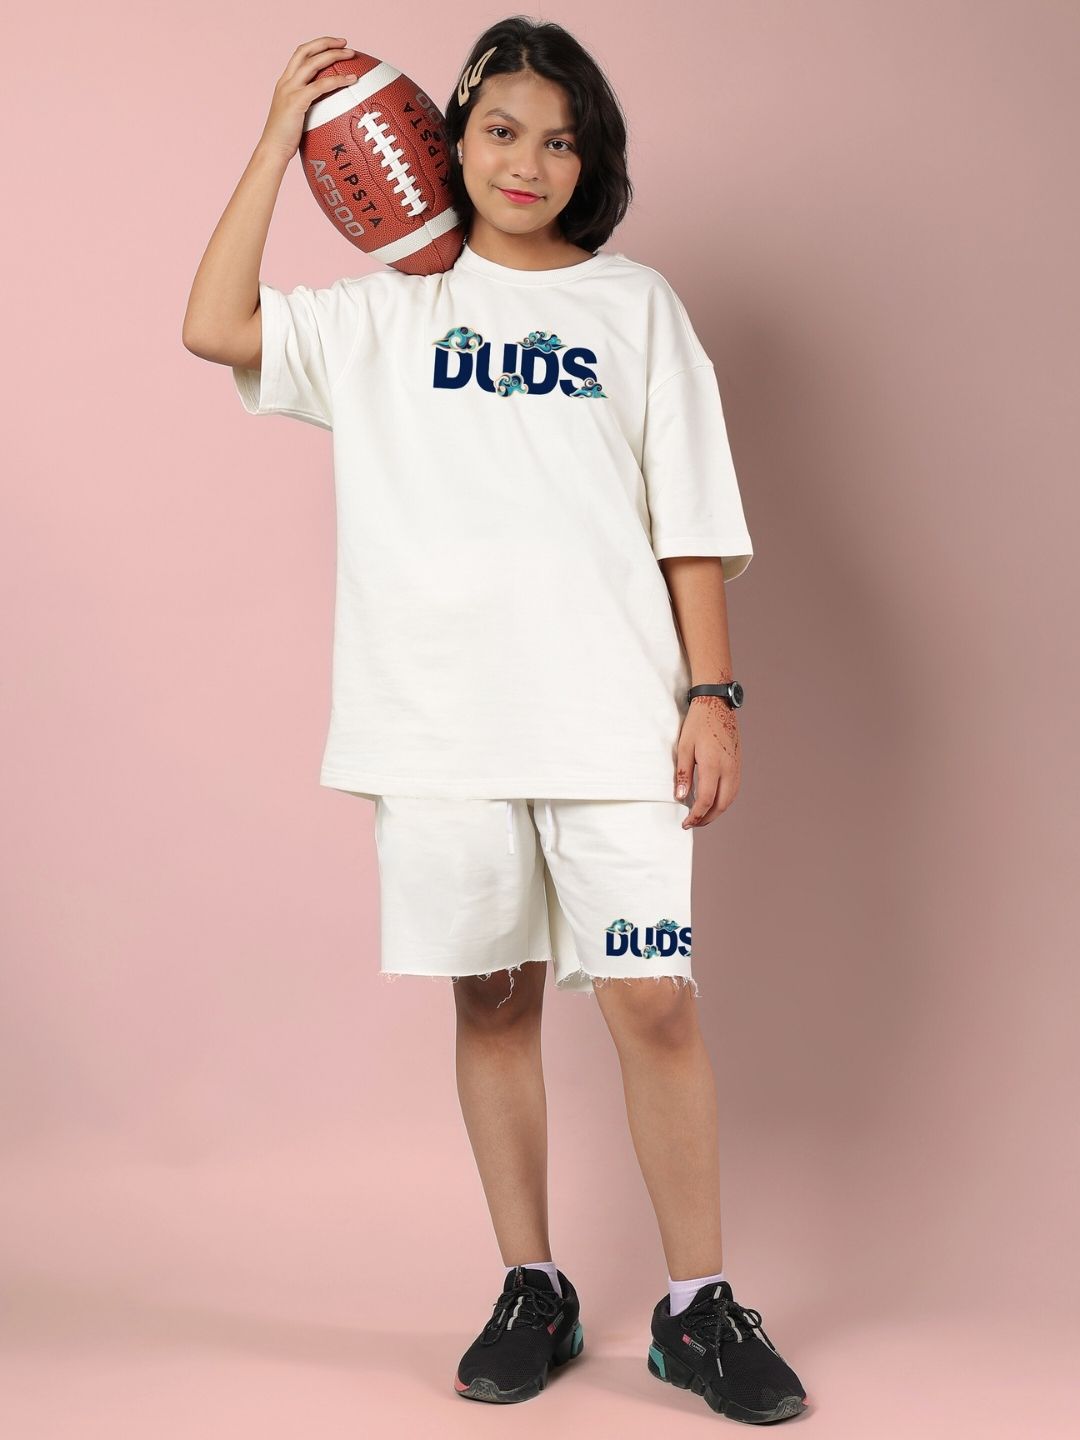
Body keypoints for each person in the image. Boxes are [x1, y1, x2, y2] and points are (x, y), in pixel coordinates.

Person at [182, 15, 808, 1423]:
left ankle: (698, 1309)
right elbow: (213, 324)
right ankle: (531, 1281)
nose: (531, 161)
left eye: (564, 139)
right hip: (443, 731)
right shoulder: (385, 317)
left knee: (650, 1000)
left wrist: (714, 697)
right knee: (494, 995)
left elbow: (689, 524)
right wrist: (281, 142)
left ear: (594, 163)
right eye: (505, 130)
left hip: (614, 733)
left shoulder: (637, 308)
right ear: (444, 139)